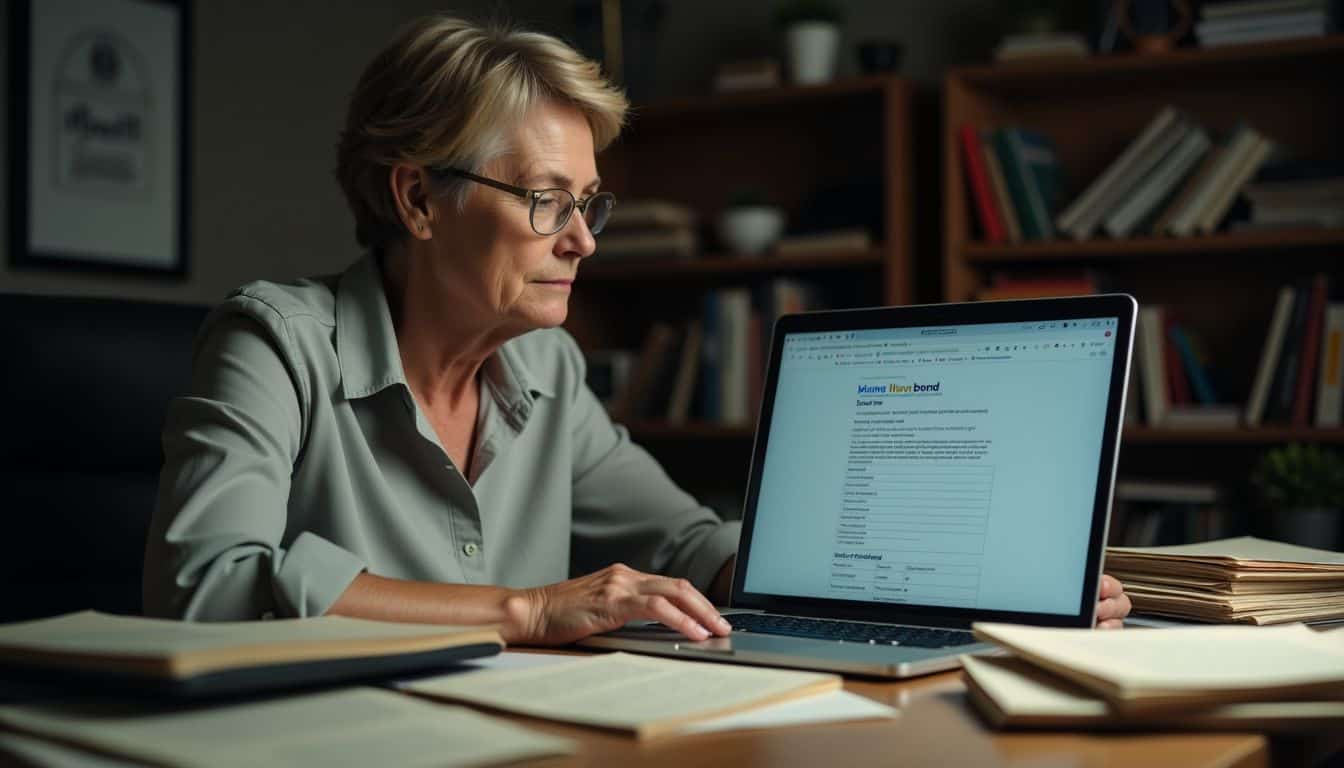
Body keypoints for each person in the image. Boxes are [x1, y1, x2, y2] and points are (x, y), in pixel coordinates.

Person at [143, 15, 1131, 643]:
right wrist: (529, 610)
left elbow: (693, 543)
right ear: (416, 198)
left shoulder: (547, 369)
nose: (581, 240)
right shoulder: (273, 341)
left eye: (589, 205)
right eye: (544, 200)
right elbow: (205, 586)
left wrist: (977, 583)